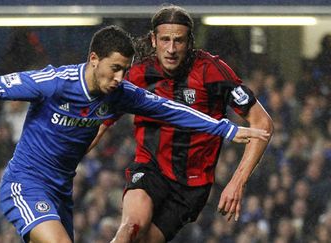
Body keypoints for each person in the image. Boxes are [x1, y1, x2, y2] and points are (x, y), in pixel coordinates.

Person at [0, 25, 268, 243]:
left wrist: (225, 128)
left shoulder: (121, 94)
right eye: (114, 68)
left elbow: (171, 110)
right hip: (24, 184)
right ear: (93, 59)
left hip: (61, 191)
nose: (120, 77)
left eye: (125, 70)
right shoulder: (55, 83)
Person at [91, 6, 273, 243]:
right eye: (165, 39)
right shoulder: (137, 72)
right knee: (129, 228)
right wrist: (69, 159)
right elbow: (101, 122)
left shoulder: (212, 71)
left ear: (190, 42)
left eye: (179, 41)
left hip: (190, 188)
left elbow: (263, 124)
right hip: (151, 168)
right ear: (154, 40)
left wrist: (237, 182)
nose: (171, 49)